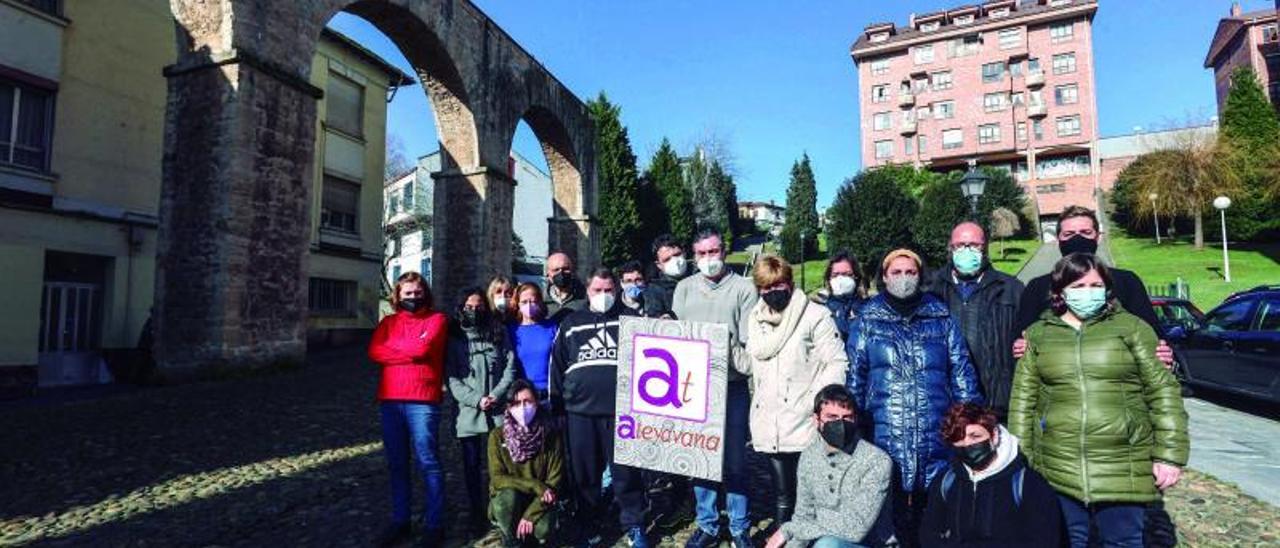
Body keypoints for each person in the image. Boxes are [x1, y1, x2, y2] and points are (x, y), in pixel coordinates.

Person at [1008, 253, 1188, 548]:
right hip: (1058, 461)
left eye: (1095, 284)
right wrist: (1022, 457)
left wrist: (1169, 455)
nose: (1087, 292)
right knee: (1067, 539)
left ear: (1107, 288)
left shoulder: (1132, 328)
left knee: (1123, 540)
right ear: (1060, 291)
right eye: (1078, 286)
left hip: (1122, 461)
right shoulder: (1039, 335)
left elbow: (1163, 392)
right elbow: (1023, 400)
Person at [846, 249, 982, 548]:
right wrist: (853, 431)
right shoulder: (868, 320)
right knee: (889, 520)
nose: (904, 279)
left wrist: (971, 424)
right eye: (896, 272)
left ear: (921, 276)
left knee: (934, 518)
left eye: (910, 272)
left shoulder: (941, 316)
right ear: (884, 277)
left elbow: (962, 374)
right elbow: (854, 380)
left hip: (935, 434)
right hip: (883, 434)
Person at [745, 255, 849, 528]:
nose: (773, 292)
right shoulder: (755, 320)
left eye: (778, 285)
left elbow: (836, 361)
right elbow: (750, 362)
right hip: (771, 420)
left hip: (805, 420)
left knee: (811, 493)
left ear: (790, 283)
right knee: (782, 494)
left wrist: (819, 403)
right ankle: (784, 538)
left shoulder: (814, 315)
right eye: (766, 287)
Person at [549, 268, 649, 547]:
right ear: (588, 291)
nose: (603, 296)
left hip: (623, 412)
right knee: (584, 475)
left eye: (608, 290)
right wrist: (557, 406)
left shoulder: (632, 320)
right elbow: (556, 367)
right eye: (597, 290)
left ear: (616, 291)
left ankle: (634, 525)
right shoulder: (571, 322)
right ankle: (587, 525)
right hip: (579, 413)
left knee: (626, 473)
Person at [672, 227, 758, 548]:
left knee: (735, 460)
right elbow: (675, 336)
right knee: (701, 458)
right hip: (693, 387)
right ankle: (707, 523)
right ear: (694, 257)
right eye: (702, 253)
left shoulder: (744, 288)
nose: (709, 259)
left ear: (724, 251)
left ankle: (739, 526)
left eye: (714, 251)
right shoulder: (683, 288)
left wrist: (720, 341)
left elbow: (748, 343)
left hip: (732, 386)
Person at [1012, 205, 1173, 365]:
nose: (1077, 239)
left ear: (1098, 237)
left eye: (1085, 232)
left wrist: (1163, 352)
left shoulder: (1126, 281)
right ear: (1058, 240)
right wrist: (1020, 346)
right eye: (1069, 234)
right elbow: (1022, 338)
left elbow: (1153, 333)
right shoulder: (1037, 287)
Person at [367, 272, 450, 548]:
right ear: (398, 296)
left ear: (425, 292)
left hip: (423, 401)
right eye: (407, 294)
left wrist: (396, 350)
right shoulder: (388, 322)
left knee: (429, 463)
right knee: (397, 464)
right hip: (391, 400)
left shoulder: (437, 320)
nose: (413, 297)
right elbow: (375, 352)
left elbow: (424, 347)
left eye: (417, 292)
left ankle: (434, 524)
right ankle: (400, 520)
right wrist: (409, 351)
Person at [765, 385, 892, 548]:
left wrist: (789, 529)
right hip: (821, 539)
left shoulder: (876, 461)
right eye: (832, 417)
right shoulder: (809, 457)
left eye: (847, 417)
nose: (840, 423)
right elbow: (804, 515)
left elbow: (856, 528)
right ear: (816, 420)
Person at [918, 403, 1062, 547]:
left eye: (975, 436)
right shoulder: (947, 481)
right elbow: (930, 533)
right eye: (959, 438)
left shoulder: (1028, 484)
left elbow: (1045, 540)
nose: (967, 444)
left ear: (994, 436)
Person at [923, 222, 1024, 419]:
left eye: (974, 245)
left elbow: (1033, 333)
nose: (966, 250)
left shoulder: (1011, 288)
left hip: (998, 404)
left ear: (985, 248)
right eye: (960, 245)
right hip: (946, 404)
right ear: (950, 248)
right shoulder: (929, 291)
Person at [447, 287, 517, 534]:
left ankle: (500, 507)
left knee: (500, 463)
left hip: (497, 411)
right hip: (468, 412)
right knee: (471, 465)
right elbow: (452, 378)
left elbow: (510, 367)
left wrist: (495, 395)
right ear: (461, 308)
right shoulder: (454, 338)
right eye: (469, 307)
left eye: (478, 307)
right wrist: (477, 399)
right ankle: (475, 510)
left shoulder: (498, 332)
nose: (474, 311)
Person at [488, 379, 564, 548]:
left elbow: (555, 481)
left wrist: (531, 514)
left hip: (540, 499)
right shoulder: (497, 436)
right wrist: (535, 485)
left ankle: (529, 534)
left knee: (543, 529)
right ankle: (510, 538)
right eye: (516, 403)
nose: (522, 408)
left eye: (527, 402)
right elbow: (497, 478)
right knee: (507, 499)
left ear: (536, 403)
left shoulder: (551, 435)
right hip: (512, 499)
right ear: (508, 407)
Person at [509, 283, 558, 403]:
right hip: (522, 399)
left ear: (540, 302)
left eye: (533, 301)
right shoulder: (512, 331)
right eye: (524, 302)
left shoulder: (552, 327)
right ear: (518, 304)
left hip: (549, 396)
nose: (529, 305)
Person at [809, 250, 866, 341]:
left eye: (846, 274)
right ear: (829, 278)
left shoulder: (868, 308)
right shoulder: (818, 309)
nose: (840, 279)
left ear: (856, 276)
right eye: (835, 275)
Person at [643, 233, 688, 319]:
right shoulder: (654, 289)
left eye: (677, 255)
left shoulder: (700, 276)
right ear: (659, 265)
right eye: (667, 259)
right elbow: (654, 316)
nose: (675, 261)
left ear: (684, 253)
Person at [544, 251, 587, 323]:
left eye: (565, 269)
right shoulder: (541, 302)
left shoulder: (585, 298)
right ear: (548, 275)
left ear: (572, 270)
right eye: (556, 270)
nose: (561, 273)